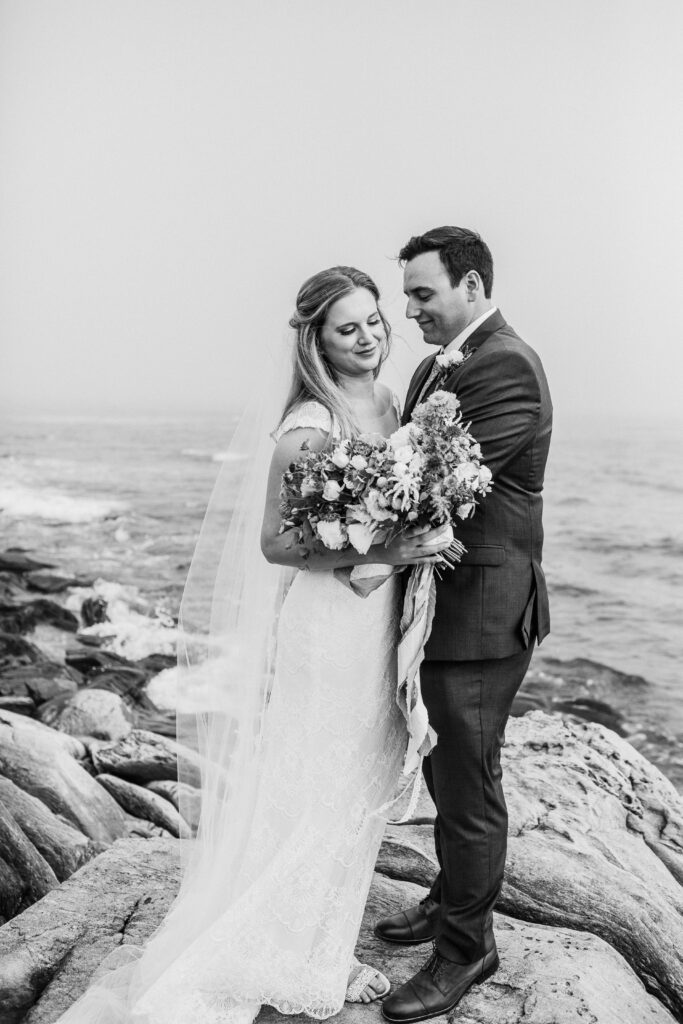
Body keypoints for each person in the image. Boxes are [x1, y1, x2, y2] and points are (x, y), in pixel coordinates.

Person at [55, 266, 449, 1024]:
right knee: (313, 785)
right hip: (329, 630)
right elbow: (276, 543)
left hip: (377, 626)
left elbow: (392, 511)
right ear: (317, 341)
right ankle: (294, 952)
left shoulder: (393, 402)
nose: (368, 336)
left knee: (355, 786)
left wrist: (414, 537)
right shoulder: (311, 419)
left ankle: (321, 941)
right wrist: (391, 552)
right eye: (348, 328)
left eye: (373, 321)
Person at [375, 227, 553, 1023]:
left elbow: (436, 486)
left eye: (422, 294)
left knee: (468, 786)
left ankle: (465, 949)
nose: (407, 310)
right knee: (451, 773)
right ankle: (449, 898)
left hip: (481, 613)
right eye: (407, 294)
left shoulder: (506, 365)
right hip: (441, 605)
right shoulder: (433, 366)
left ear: (472, 287)